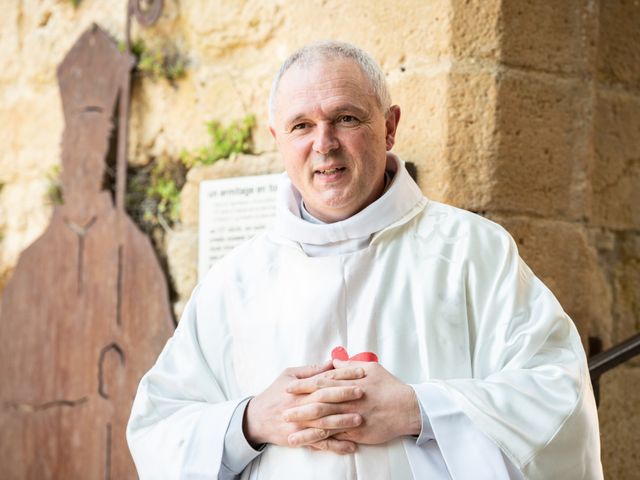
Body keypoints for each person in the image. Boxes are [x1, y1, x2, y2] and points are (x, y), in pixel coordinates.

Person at [127, 41, 603, 479]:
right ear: (277, 139)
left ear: (390, 126)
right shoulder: (234, 281)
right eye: (301, 126)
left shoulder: (473, 251)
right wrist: (249, 420)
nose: (324, 143)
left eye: (347, 118)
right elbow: (159, 427)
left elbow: (557, 395)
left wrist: (418, 410)